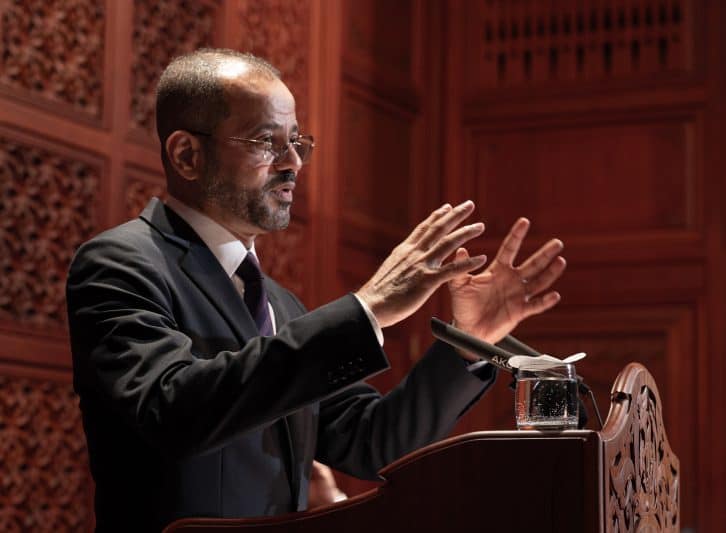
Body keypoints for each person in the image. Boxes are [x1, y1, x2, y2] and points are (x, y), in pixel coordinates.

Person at [66, 48, 566, 532]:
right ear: (188, 154)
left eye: (297, 142)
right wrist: (366, 308)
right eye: (266, 142)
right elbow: (171, 409)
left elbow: (375, 444)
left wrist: (464, 342)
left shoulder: (281, 306)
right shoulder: (121, 264)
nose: (293, 163)